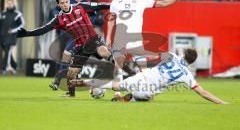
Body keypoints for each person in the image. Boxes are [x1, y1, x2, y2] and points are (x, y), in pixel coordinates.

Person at [17, 0, 111, 97]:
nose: (65, 4)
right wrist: (28, 33)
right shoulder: (59, 18)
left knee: (104, 53)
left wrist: (114, 5)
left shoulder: (81, 6)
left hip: (92, 38)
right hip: (78, 42)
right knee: (70, 70)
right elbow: (43, 29)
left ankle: (125, 71)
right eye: (62, 3)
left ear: (69, 0)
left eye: (66, 2)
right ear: (59, 4)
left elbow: (99, 6)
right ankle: (70, 93)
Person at [106, 0, 189, 93]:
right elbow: (111, 19)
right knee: (118, 65)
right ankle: (117, 93)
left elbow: (161, 3)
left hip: (136, 41)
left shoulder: (141, 1)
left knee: (143, 69)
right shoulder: (115, 2)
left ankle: (147, 92)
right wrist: (108, 37)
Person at [74, 49, 228, 104]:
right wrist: (221, 102)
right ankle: (129, 99)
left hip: (143, 76)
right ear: (192, 62)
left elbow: (152, 57)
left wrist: (137, 58)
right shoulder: (188, 75)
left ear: (183, 54)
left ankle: (83, 82)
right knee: (150, 96)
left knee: (114, 86)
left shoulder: (173, 55)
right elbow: (203, 93)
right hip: (148, 89)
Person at [49, 0, 97, 90]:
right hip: (65, 35)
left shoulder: (86, 3)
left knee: (71, 57)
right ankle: (65, 82)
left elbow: (94, 17)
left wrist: (87, 24)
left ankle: (59, 81)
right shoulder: (66, 1)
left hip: (81, 36)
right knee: (63, 57)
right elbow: (54, 12)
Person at [0, 0, 25, 75]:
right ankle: (14, 66)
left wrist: (13, 30)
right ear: (6, 4)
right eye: (8, 3)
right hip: (2, 37)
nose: (9, 5)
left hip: (11, 37)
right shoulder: (2, 13)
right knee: (8, 54)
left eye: (11, 3)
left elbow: (22, 24)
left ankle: (4, 69)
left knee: (7, 53)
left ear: (13, 4)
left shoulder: (18, 14)